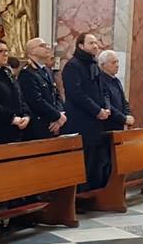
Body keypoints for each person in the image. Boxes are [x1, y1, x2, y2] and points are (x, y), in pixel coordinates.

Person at [61, 33, 111, 192]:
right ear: (81, 46)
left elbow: (103, 90)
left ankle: (93, 192)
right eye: (91, 43)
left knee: (95, 160)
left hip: (96, 121)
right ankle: (80, 194)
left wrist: (106, 108)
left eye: (96, 43)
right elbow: (76, 93)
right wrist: (97, 110)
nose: (95, 46)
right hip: (80, 120)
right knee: (83, 160)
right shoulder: (72, 66)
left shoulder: (94, 65)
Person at [18, 38, 66, 141]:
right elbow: (35, 100)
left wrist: (59, 115)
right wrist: (56, 116)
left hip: (53, 122)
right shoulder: (27, 73)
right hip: (38, 125)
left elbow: (56, 94)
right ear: (32, 51)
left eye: (47, 45)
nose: (47, 48)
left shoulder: (46, 70)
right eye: (42, 46)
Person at [98, 51, 133, 131]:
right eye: (113, 62)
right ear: (103, 65)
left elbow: (124, 101)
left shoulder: (116, 81)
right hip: (107, 126)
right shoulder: (100, 81)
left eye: (117, 62)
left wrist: (127, 115)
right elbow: (106, 105)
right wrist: (123, 119)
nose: (117, 65)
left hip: (119, 126)